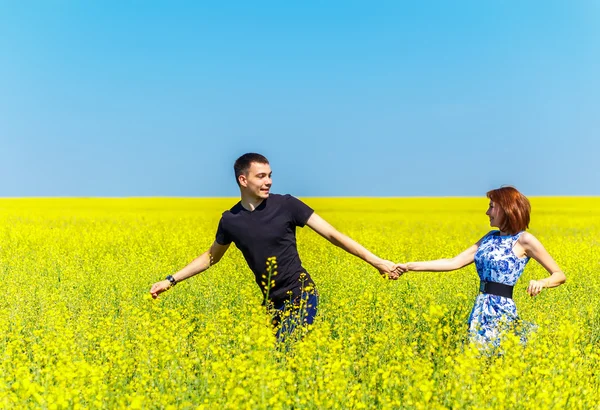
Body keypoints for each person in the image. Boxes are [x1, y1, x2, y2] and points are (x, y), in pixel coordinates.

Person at [150, 153, 404, 342]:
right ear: (243, 179)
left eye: (270, 175)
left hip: (301, 294)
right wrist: (170, 280)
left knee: (287, 353)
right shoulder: (230, 220)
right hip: (271, 302)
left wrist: (377, 261)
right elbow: (209, 257)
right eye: (261, 176)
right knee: (278, 364)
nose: (268, 181)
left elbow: (333, 235)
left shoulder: (287, 205)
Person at [395, 186, 566, 349]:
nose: (487, 212)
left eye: (492, 207)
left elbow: (559, 274)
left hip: (501, 310)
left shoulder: (524, 240)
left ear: (506, 208)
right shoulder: (490, 237)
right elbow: (453, 262)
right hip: (480, 308)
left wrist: (542, 282)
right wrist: (409, 266)